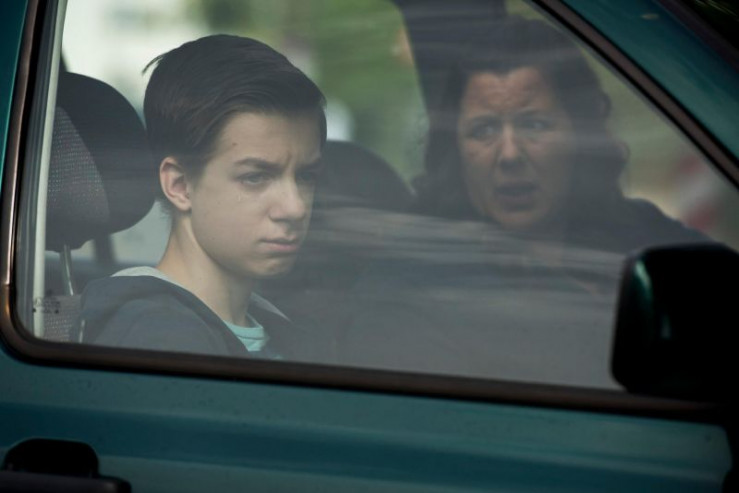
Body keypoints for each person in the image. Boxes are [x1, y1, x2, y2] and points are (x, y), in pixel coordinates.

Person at [338, 17, 706, 387]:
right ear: (455, 151)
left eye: (534, 125)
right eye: (484, 130)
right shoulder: (410, 286)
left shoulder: (640, 235)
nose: (510, 154)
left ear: (579, 135)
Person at [81, 35, 326, 360]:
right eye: (255, 177)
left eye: (305, 176)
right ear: (180, 185)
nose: (295, 208)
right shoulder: (156, 339)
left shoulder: (274, 326)